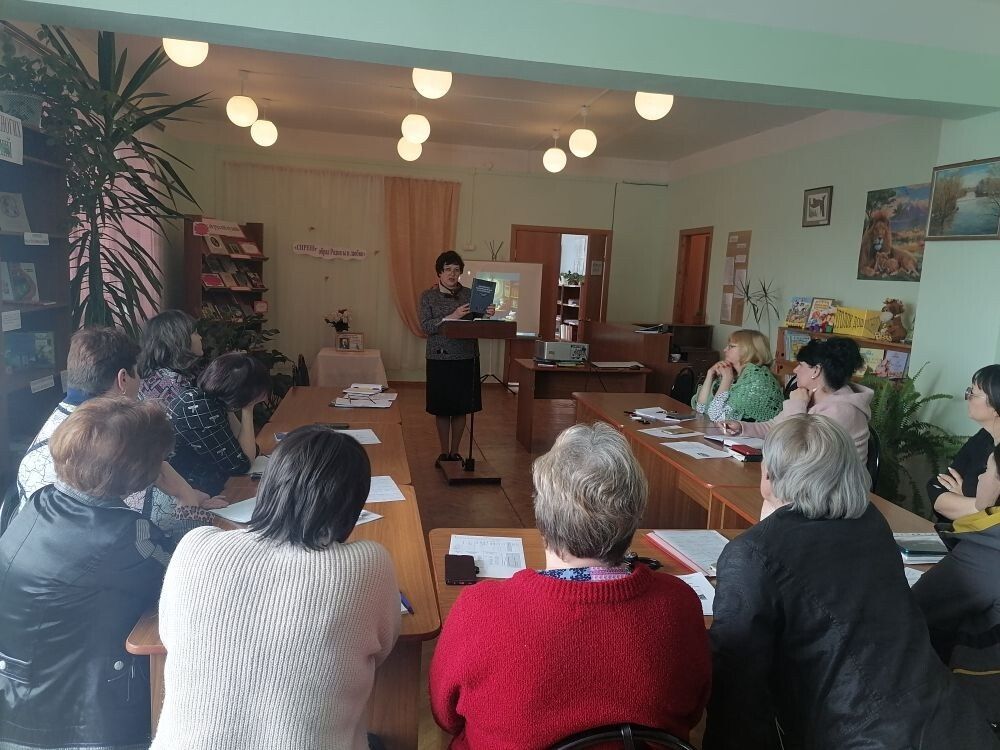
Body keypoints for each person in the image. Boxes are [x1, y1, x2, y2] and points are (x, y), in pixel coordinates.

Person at [705, 415, 998, 750]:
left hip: (860, 737)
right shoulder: (871, 521)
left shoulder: (753, 552)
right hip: (951, 721)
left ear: (767, 474)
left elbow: (736, 685)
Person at [430, 423, 711, 749]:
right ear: (635, 514)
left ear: (541, 512)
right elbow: (692, 711)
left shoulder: (480, 609)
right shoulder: (680, 603)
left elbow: (445, 716)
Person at [151, 426, 400, 750]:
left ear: (268, 485)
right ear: (351, 506)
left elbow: (170, 635)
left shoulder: (194, 545)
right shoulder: (367, 563)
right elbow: (383, 650)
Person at [0, 398, 175, 749]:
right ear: (141, 470)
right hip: (78, 723)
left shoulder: (40, 501)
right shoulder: (124, 535)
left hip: (18, 698)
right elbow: (179, 575)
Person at [15, 326, 211, 513]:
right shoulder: (118, 440)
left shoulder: (53, 427)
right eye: (138, 373)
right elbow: (164, 518)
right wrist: (188, 497)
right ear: (123, 379)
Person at [913, 444, 1000, 724]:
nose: (981, 477)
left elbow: (915, 610)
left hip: (977, 707)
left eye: (988, 471)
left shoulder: (986, 550)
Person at [719, 336, 872, 461]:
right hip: (807, 480)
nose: (795, 369)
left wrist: (797, 405)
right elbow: (775, 426)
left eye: (801, 364)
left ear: (816, 370)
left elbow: (793, 449)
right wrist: (742, 427)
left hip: (833, 487)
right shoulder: (810, 396)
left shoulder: (842, 411)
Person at [419, 251, 494, 467]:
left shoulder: (470, 294)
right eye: (447, 269)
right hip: (439, 358)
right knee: (442, 407)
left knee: (461, 407)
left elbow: (478, 322)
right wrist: (451, 317)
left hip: (466, 357)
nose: (452, 274)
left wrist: (487, 313)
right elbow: (425, 326)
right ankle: (444, 452)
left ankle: (455, 452)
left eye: (456, 270)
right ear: (439, 273)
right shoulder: (428, 296)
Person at [165, 352, 271, 496]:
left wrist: (236, 406)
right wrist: (248, 408)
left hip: (195, 486)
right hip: (193, 493)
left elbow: (246, 451)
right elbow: (242, 464)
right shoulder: (201, 410)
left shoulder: (203, 397)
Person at [928, 364, 1000, 520]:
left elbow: (996, 517)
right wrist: (980, 505)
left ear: (995, 406)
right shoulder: (983, 437)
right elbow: (937, 486)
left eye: (973, 393)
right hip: (960, 530)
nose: (967, 397)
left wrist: (969, 500)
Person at [692, 329, 783, 422]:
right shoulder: (736, 374)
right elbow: (700, 409)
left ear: (748, 350)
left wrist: (727, 379)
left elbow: (716, 416)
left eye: (731, 346)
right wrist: (710, 374)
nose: (724, 350)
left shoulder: (757, 380)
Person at [137, 309, 204, 406]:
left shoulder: (150, 378)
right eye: (195, 333)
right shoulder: (176, 385)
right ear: (179, 339)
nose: (200, 337)